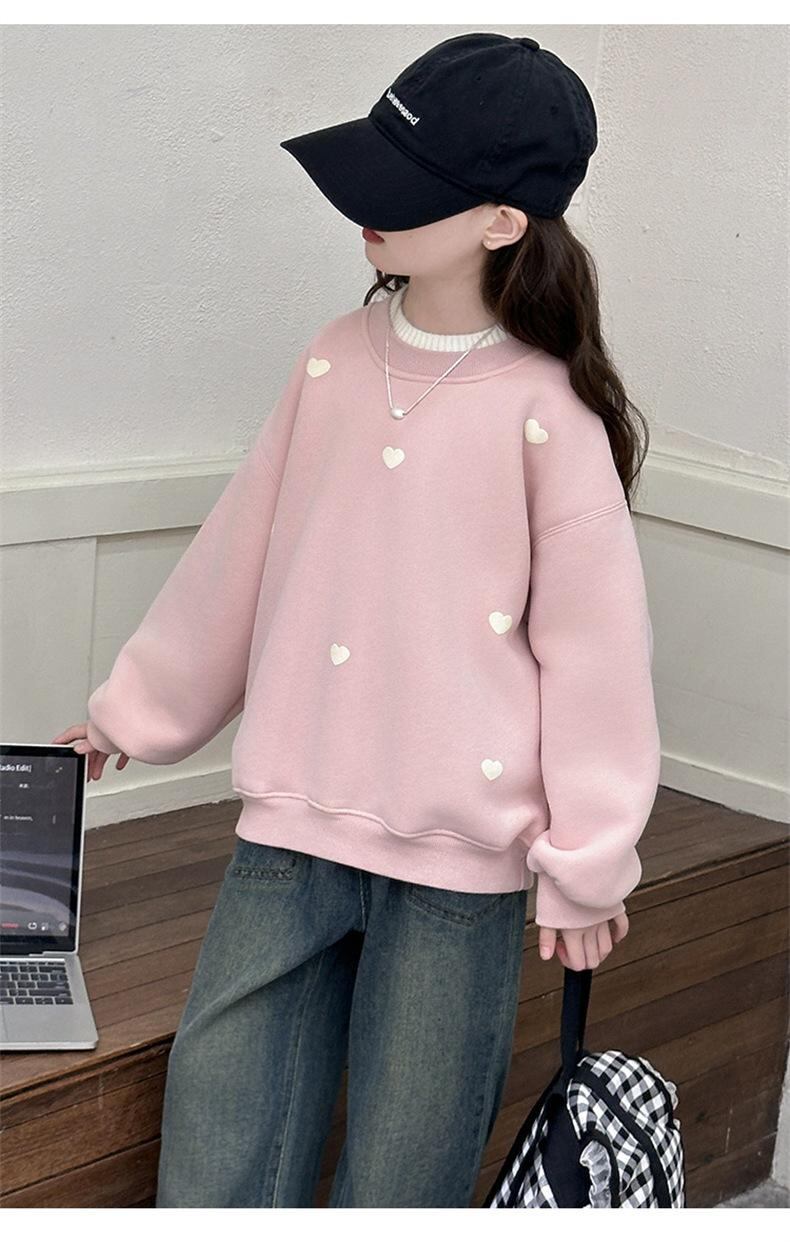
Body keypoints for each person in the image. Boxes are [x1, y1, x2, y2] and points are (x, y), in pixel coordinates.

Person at [52, 32, 661, 1208]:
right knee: (219, 1136)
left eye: (407, 186)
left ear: (501, 221)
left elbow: (592, 654)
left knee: (402, 1172)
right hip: (293, 820)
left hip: (459, 860)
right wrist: (135, 711)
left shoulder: (548, 413)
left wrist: (588, 861)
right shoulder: (333, 362)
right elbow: (241, 556)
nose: (365, 208)